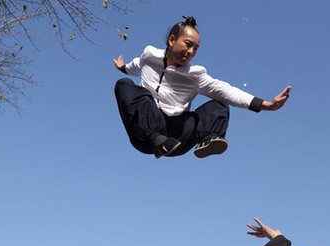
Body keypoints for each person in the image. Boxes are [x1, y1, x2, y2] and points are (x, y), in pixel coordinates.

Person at [113, 16, 292, 159]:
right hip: (144, 134)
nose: (191, 52)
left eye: (196, 49)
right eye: (188, 45)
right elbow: (133, 67)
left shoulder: (195, 75)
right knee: (125, 85)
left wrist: (266, 104)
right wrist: (122, 67)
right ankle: (156, 138)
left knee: (219, 103)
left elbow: (225, 90)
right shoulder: (149, 56)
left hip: (177, 138)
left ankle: (209, 139)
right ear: (172, 40)